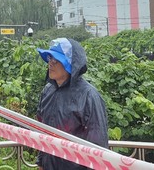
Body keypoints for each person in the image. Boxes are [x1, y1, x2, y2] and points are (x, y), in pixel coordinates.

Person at [35, 38, 108, 170]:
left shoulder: (88, 96)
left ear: (70, 65)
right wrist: (41, 163)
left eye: (56, 59)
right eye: (49, 58)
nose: (50, 63)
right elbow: (43, 131)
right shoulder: (47, 91)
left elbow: (98, 147)